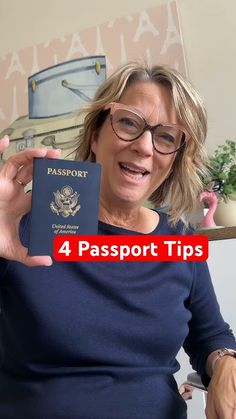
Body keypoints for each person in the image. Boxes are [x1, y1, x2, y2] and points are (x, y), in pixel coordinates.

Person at [0, 61, 236, 419]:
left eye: (166, 137)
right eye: (128, 122)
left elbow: (211, 337)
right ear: (95, 136)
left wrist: (225, 364)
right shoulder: (21, 229)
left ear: (173, 161)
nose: (144, 146)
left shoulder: (180, 241)